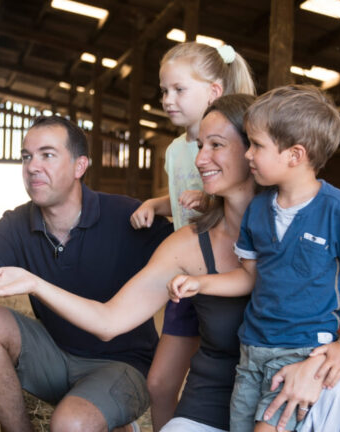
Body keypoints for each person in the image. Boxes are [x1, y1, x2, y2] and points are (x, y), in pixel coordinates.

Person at [0, 95, 340, 432]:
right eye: (200, 145)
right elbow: (111, 321)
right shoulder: (188, 244)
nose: (200, 158)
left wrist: (321, 366)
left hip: (301, 386)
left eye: (217, 145)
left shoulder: (309, 222)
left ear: (257, 150)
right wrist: (34, 283)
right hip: (218, 402)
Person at [0, 115, 173, 432]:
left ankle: (108, 416)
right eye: (26, 157)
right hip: (55, 356)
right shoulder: (17, 225)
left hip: (124, 366)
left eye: (47, 155)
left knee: (71, 424)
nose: (32, 166)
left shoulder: (126, 216)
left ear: (79, 166)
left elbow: (190, 248)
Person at [168, 85, 340, 432]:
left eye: (256, 145)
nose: (248, 154)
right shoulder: (258, 210)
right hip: (251, 351)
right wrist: (200, 283)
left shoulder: (336, 207)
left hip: (299, 351)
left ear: (295, 155)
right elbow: (249, 277)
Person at [128, 42, 256, 431]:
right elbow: (178, 195)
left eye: (179, 89)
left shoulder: (245, 143)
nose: (167, 99)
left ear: (214, 92)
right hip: (187, 273)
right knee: (160, 381)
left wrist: (210, 199)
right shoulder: (173, 150)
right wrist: (154, 203)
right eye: (164, 90)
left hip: (228, 268)